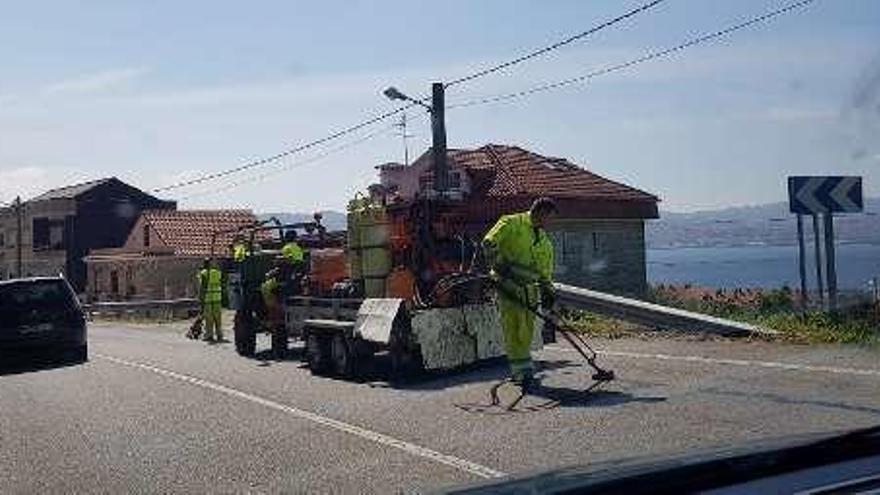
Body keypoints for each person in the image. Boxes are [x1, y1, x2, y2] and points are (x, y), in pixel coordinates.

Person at [482, 197, 558, 389]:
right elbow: (488, 243)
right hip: (508, 287)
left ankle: (524, 367)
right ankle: (519, 372)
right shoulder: (511, 223)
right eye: (550, 218)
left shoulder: (545, 242)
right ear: (540, 213)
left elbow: (544, 271)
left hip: (529, 290)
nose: (551, 222)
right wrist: (501, 267)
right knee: (514, 328)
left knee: (526, 330)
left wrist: (549, 290)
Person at [197, 258, 224, 343]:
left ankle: (209, 335)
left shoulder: (203, 273)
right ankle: (219, 335)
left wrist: (200, 298)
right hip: (217, 298)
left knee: (209, 319)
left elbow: (202, 287)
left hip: (207, 299)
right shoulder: (217, 272)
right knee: (218, 318)